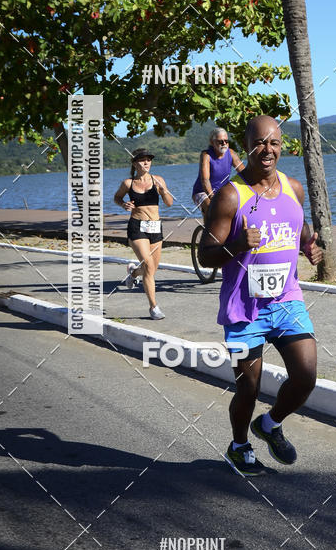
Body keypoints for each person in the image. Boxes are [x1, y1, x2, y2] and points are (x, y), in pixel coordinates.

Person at [199, 115, 323, 476]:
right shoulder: (230, 195)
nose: (267, 150)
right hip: (244, 309)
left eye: (274, 143)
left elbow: (301, 231)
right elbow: (205, 255)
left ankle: (269, 425)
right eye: (259, 142)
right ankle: (239, 445)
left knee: (306, 375)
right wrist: (236, 244)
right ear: (247, 145)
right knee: (248, 386)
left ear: (281, 146)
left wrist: (310, 248)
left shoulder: (293, 188)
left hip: (286, 301)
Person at [113, 148, 173, 320]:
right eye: (142, 160)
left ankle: (133, 273)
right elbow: (117, 198)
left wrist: (163, 190)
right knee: (148, 265)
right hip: (137, 227)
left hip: (155, 227)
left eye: (149, 159)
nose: (146, 162)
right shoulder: (128, 183)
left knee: (151, 269)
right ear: (134, 163)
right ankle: (153, 307)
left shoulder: (158, 180)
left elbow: (169, 203)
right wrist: (123, 204)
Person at [192, 127, 244, 218]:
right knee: (211, 208)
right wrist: (212, 197)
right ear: (212, 143)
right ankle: (207, 232)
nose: (224, 144)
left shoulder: (231, 153)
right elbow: (205, 180)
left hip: (221, 192)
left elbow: (244, 172)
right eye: (220, 141)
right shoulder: (206, 155)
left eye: (226, 141)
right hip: (202, 192)